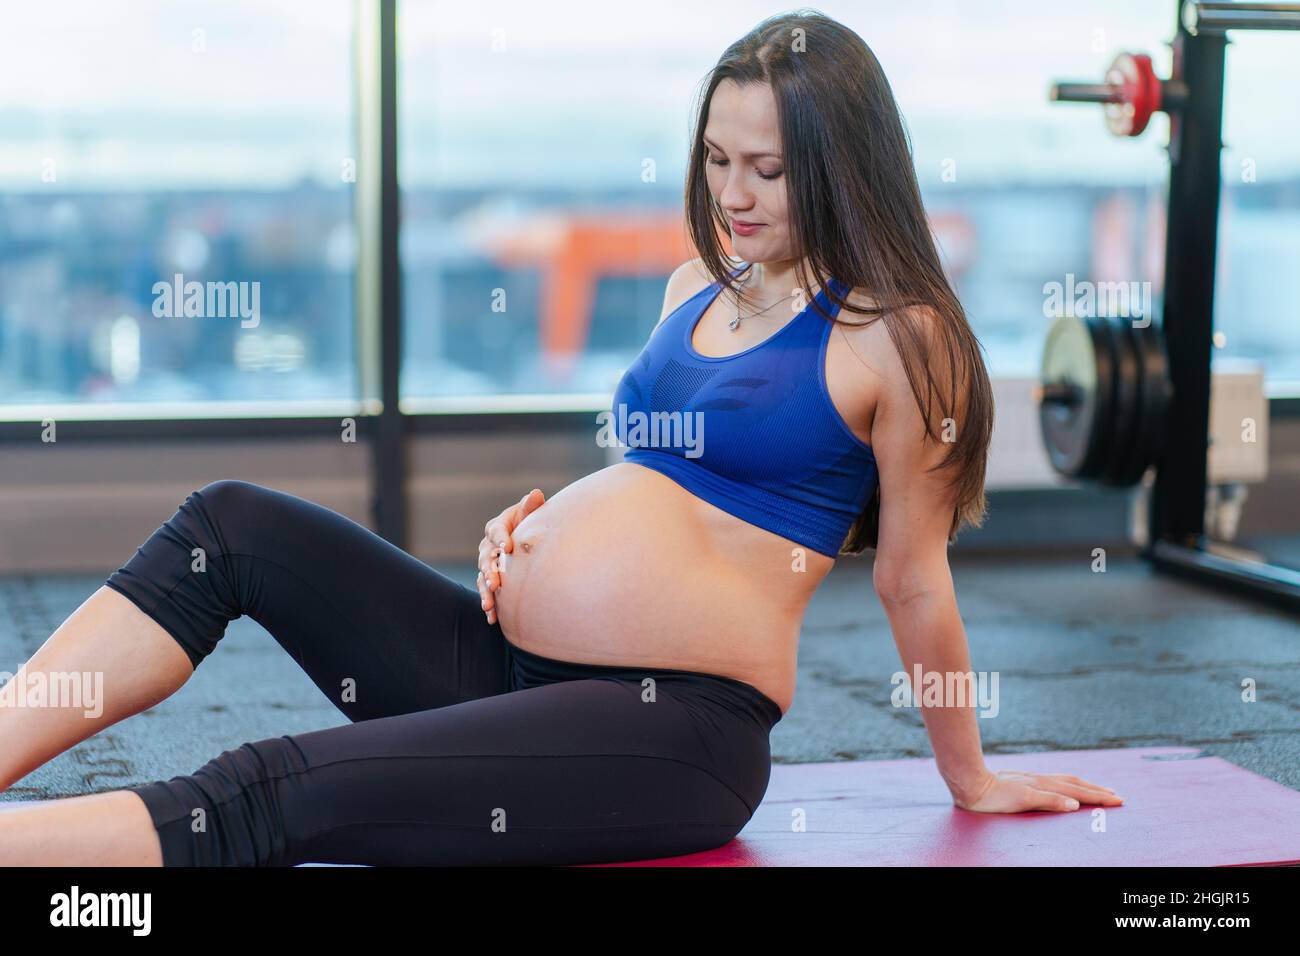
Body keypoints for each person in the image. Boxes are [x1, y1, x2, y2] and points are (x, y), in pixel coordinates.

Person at [0, 10, 1121, 867]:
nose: (732, 192)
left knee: (270, 783)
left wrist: (968, 774)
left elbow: (915, 581)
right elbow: (663, 484)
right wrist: (536, 533)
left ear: (841, 167)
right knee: (228, 523)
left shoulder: (899, 339)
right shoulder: (695, 284)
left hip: (675, 729)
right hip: (509, 668)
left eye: (768, 170)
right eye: (719, 158)